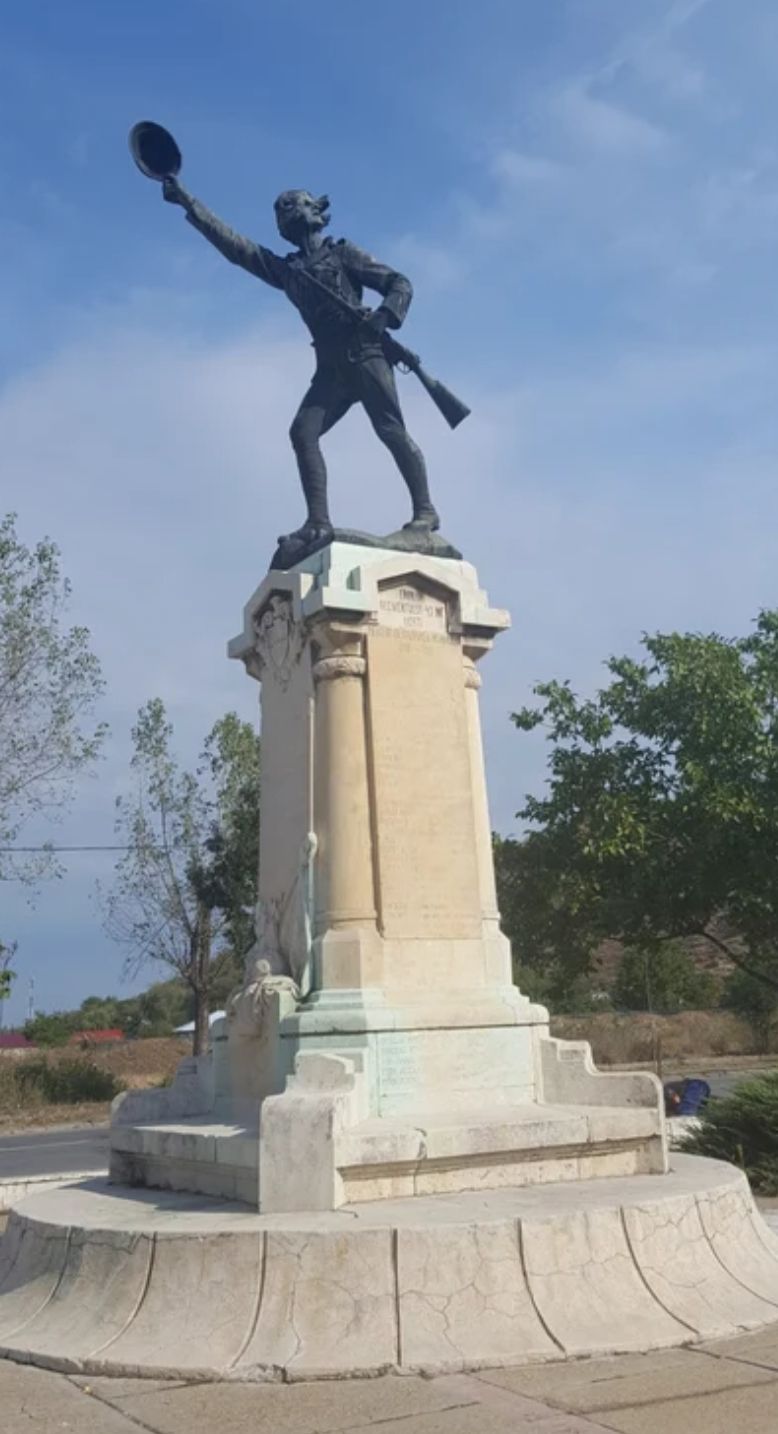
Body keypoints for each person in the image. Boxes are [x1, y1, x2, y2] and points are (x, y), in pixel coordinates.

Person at [162, 180, 440, 562]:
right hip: (330, 369)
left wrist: (384, 316)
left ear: (316, 212)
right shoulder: (288, 271)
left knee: (390, 430)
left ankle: (425, 512)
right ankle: (318, 522)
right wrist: (188, 202)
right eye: (282, 209)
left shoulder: (344, 254)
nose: (288, 212)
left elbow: (398, 282)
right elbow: (237, 248)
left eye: (295, 205)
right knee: (303, 432)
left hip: (366, 355)